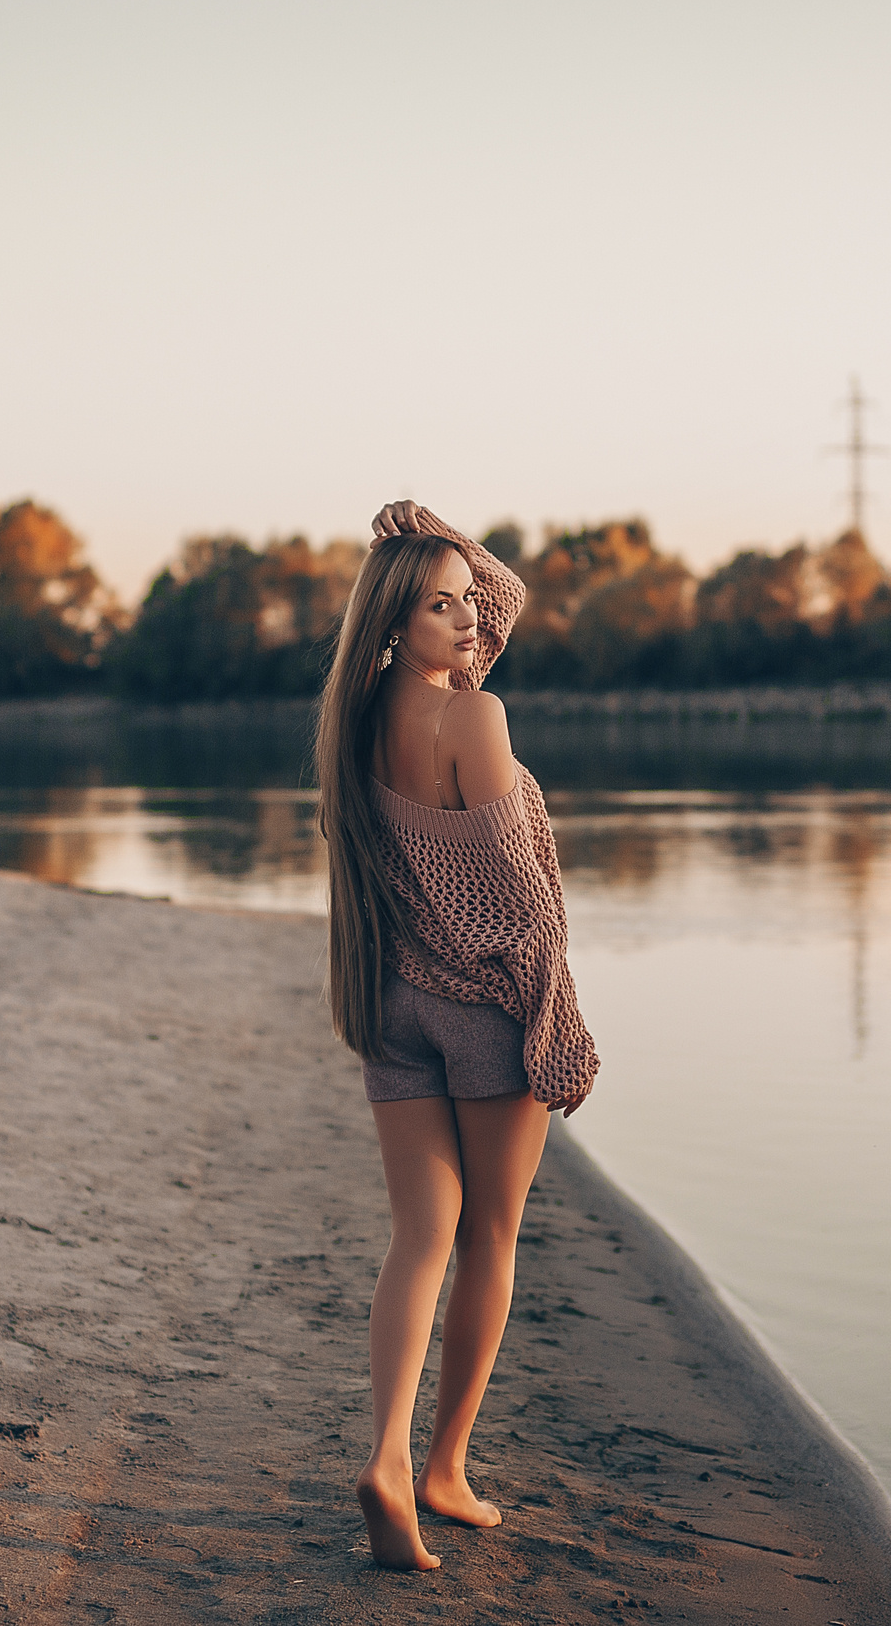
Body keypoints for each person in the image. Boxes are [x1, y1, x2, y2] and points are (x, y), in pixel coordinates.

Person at [313, 499, 600, 1571]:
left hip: (393, 1005)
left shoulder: (359, 714)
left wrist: (437, 540)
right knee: (488, 1240)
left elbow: (501, 600)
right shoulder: (474, 721)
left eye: (469, 603)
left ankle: (385, 1456)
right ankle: (441, 1468)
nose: (474, 621)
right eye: (443, 608)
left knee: (418, 1240)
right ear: (397, 622)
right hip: (484, 1012)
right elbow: (521, 908)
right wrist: (559, 1026)